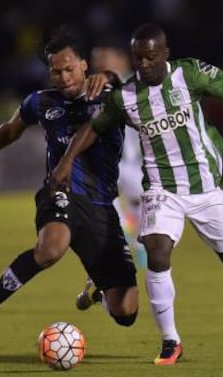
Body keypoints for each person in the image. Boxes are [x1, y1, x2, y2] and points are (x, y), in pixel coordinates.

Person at [51, 23, 223, 365]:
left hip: (205, 186)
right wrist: (66, 163)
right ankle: (170, 341)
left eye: (150, 57)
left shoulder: (190, 74)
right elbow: (93, 127)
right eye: (137, 58)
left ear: (165, 53)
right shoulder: (126, 97)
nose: (143, 65)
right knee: (157, 251)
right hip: (161, 189)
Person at [0, 34, 139, 359]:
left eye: (70, 69)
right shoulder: (42, 102)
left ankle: (97, 288)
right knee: (50, 249)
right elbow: (10, 129)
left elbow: (143, 91)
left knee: (126, 311)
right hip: (59, 193)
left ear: (85, 65)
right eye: (56, 72)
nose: (64, 78)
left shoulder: (110, 97)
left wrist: (114, 77)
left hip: (101, 206)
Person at [91, 41, 147, 268]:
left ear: (121, 60)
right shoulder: (93, 88)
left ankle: (140, 246)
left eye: (105, 56)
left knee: (145, 205)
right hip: (109, 161)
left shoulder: (137, 85)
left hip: (136, 161)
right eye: (97, 58)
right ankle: (121, 245)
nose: (100, 63)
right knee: (103, 204)